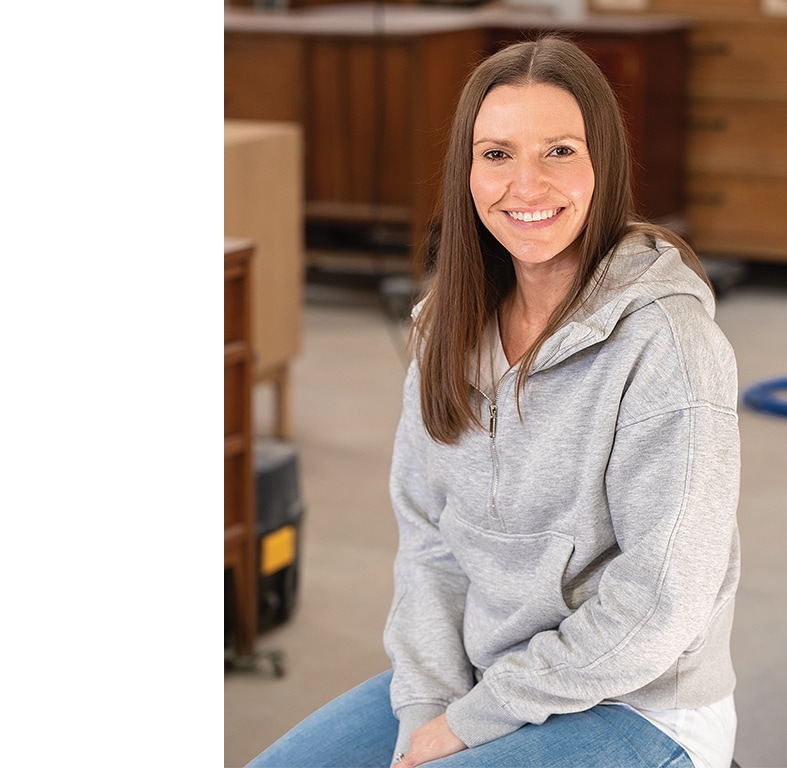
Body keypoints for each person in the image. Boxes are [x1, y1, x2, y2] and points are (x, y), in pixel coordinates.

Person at [247, 36, 741, 768]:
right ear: (467, 171)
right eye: (498, 154)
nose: (528, 185)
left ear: (604, 162)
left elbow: (659, 603)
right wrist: (425, 708)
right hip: (483, 684)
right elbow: (430, 547)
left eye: (561, 151)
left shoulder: (667, 341)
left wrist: (474, 722)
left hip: (640, 706)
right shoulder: (446, 327)